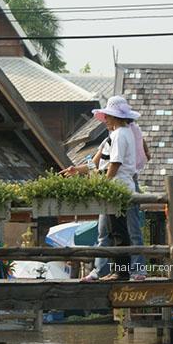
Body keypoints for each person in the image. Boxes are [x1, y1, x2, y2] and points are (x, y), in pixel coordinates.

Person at [63, 96, 149, 281]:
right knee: (114, 231)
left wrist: (103, 185)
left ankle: (121, 271)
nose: (105, 120)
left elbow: (115, 163)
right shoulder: (120, 133)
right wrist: (77, 170)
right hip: (119, 185)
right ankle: (117, 270)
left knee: (118, 231)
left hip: (117, 187)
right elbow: (97, 163)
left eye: (108, 116)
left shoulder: (119, 135)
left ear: (115, 117)